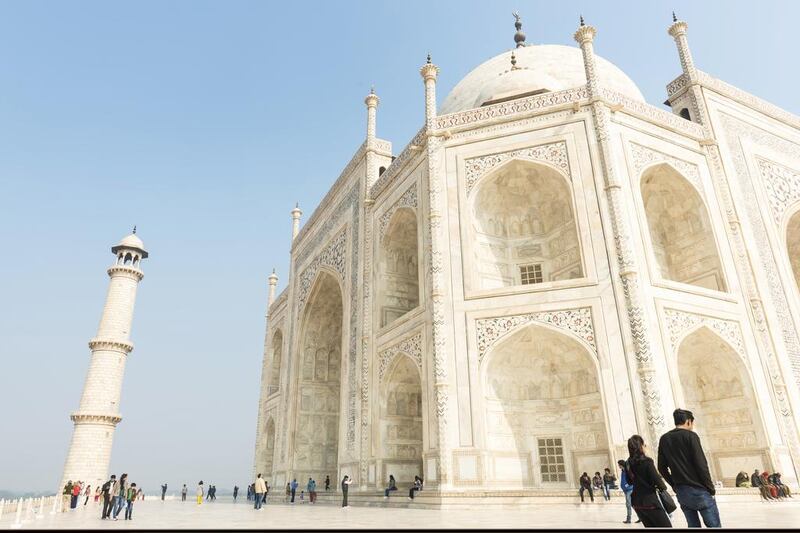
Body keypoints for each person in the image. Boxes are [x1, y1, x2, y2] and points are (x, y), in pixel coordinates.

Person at [657, 409, 721, 528]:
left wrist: (674, 485)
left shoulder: (664, 438)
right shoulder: (691, 436)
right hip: (700, 490)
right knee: (714, 526)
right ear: (688, 422)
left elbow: (661, 467)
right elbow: (701, 465)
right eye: (692, 423)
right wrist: (710, 488)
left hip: (682, 491)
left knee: (693, 526)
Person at [628, 434, 672, 528]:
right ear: (641, 447)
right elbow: (659, 483)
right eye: (644, 445)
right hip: (650, 502)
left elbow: (629, 481)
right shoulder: (647, 462)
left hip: (637, 503)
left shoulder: (628, 463)